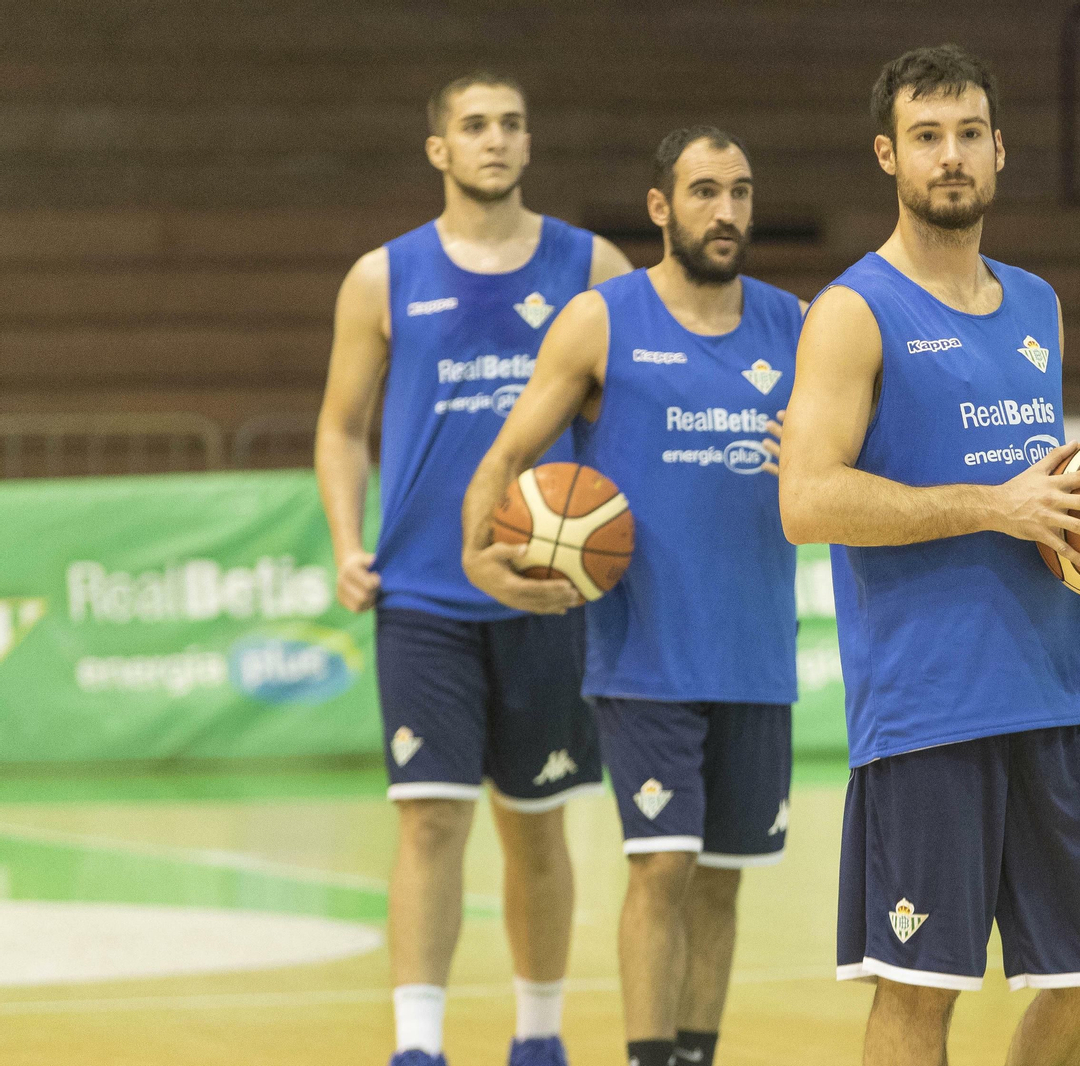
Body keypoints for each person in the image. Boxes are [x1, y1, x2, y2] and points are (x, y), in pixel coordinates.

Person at [778, 45, 1080, 1066]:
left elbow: (1049, 486)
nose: (951, 155)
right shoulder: (852, 311)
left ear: (1000, 150)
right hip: (929, 704)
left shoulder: (1036, 303)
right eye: (926, 136)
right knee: (920, 991)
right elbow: (805, 499)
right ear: (888, 155)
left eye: (969, 134)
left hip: (1062, 688)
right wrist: (992, 506)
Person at [461, 126, 802, 1066]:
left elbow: (854, 460)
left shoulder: (799, 327)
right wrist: (478, 557)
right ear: (660, 207)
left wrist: (820, 464)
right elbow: (507, 453)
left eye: (739, 192)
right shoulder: (601, 321)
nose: (725, 211)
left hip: (757, 652)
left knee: (723, 880)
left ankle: (696, 1055)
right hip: (644, 655)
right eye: (704, 192)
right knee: (661, 866)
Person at [313, 69, 632, 1066]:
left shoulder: (593, 266)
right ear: (439, 149)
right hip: (422, 595)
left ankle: (538, 1037)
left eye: (511, 124)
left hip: (546, 589)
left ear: (529, 144)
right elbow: (339, 427)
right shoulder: (382, 277)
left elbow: (636, 414)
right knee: (428, 823)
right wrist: (346, 543)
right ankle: (418, 1048)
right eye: (475, 125)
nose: (495, 139)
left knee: (536, 827)